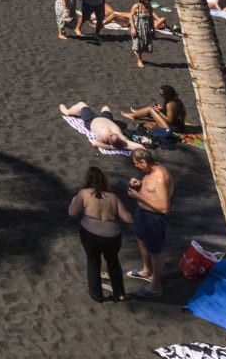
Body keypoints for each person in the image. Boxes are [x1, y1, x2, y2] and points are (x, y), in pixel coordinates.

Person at [69, 166, 131, 303]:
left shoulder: (84, 193)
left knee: (93, 262)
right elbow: (127, 218)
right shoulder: (113, 197)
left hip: (90, 234)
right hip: (112, 235)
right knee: (113, 262)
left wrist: (74, 201)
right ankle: (119, 293)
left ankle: (97, 295)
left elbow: (72, 213)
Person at [125, 149, 170, 297]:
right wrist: (141, 183)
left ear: (144, 162)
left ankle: (156, 286)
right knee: (141, 240)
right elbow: (152, 189)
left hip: (154, 218)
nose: (136, 166)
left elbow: (163, 208)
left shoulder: (161, 177)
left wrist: (139, 196)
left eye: (137, 164)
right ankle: (147, 270)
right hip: (143, 214)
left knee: (155, 251)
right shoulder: (152, 171)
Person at [59, 103, 138, 151]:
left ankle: (67, 112)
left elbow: (95, 144)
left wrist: (111, 147)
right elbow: (137, 146)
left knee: (81, 105)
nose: (113, 133)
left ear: (109, 139)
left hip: (91, 119)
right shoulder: (122, 139)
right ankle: (78, 113)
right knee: (105, 107)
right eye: (115, 135)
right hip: (107, 119)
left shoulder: (102, 137)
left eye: (112, 136)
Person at [122, 85, 187, 132]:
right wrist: (161, 109)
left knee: (151, 109)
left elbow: (170, 121)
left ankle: (133, 115)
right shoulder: (175, 100)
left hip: (172, 128)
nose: (160, 95)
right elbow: (174, 114)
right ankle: (136, 113)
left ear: (166, 95)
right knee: (152, 108)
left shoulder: (170, 104)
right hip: (179, 126)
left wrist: (159, 112)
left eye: (161, 94)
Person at [127, 0, 157, 68]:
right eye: (147, 1)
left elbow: (151, 19)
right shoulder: (136, 6)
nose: (149, 2)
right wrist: (133, 28)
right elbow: (130, 16)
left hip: (146, 28)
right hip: (138, 27)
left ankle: (137, 53)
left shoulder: (149, 8)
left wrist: (153, 28)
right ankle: (139, 60)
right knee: (138, 45)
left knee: (144, 44)